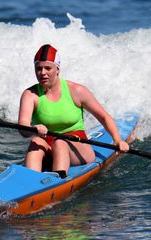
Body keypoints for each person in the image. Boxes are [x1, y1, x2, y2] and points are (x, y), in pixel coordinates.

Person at [18, 44, 129, 178]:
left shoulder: (76, 91)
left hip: (78, 146)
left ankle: (58, 180)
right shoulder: (30, 95)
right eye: (38, 68)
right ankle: (30, 180)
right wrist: (32, 129)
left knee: (60, 142)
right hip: (47, 145)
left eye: (48, 68)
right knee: (35, 142)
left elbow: (104, 117)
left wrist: (118, 141)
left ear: (57, 69)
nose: (42, 73)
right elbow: (23, 127)